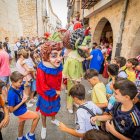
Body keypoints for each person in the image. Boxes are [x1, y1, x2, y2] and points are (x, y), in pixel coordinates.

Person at [36, 41, 63, 139]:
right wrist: (55, 92)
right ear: (46, 56)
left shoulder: (58, 66)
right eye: (54, 55)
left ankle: (53, 119)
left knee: (54, 109)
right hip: (45, 94)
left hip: (56, 93)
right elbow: (43, 85)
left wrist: (58, 89)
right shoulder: (41, 68)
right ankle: (44, 126)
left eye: (60, 55)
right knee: (43, 112)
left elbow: (59, 79)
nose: (59, 59)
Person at [7, 71, 40, 140]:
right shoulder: (11, 94)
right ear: (13, 82)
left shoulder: (19, 85)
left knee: (21, 123)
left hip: (22, 108)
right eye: (19, 82)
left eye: (22, 81)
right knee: (37, 116)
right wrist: (22, 102)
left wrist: (24, 94)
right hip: (20, 111)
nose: (21, 83)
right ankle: (30, 135)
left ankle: (20, 138)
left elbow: (23, 90)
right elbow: (11, 110)